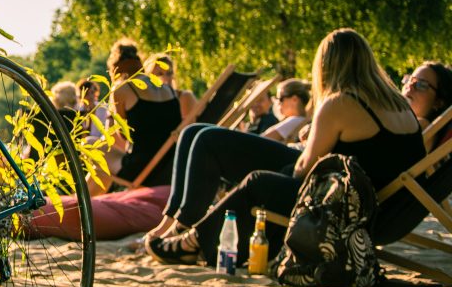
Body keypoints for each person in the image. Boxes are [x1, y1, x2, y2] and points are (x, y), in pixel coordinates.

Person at [147, 28, 426, 266]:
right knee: (200, 134)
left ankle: (194, 240)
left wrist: (305, 147)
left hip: (341, 204)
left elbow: (303, 171)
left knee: (259, 181)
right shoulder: (397, 103)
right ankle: (181, 223)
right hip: (366, 198)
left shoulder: (341, 102)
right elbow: (370, 154)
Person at [87, 39, 189, 195]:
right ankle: (85, 204)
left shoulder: (123, 88)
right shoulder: (168, 89)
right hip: (170, 167)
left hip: (141, 169)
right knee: (102, 166)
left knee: (88, 143)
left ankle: (80, 206)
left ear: (114, 68)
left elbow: (123, 135)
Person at [402, 61, 452, 148]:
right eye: (409, 79)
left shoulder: (422, 127)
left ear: (438, 103)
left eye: (421, 84)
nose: (410, 86)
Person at [149, 53, 198, 118]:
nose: (165, 78)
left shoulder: (184, 97)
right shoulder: (148, 103)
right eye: (160, 74)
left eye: (169, 73)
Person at [261, 78, 310, 144]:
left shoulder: (295, 120)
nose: (277, 102)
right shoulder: (303, 120)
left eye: (280, 99)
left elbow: (261, 139)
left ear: (294, 99)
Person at [77, 78, 111, 146]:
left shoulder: (104, 108)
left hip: (101, 143)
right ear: (81, 94)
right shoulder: (77, 111)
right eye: (87, 93)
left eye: (92, 92)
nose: (90, 96)